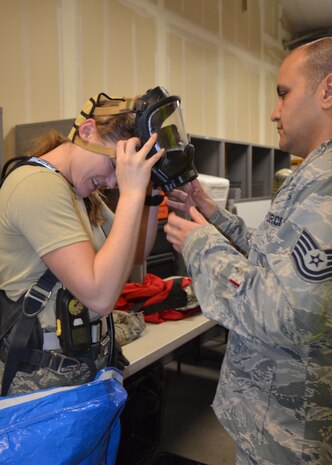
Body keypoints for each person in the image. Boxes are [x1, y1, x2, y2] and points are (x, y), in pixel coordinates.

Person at [164, 37, 332, 465]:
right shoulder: (313, 173)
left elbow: (286, 314)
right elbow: (274, 258)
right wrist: (210, 213)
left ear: (327, 91)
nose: (274, 112)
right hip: (276, 420)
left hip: (293, 434)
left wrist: (199, 242)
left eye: (283, 94)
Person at [0, 92, 164, 395]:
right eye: (116, 164)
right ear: (87, 131)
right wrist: (130, 195)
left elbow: (136, 252)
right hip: (41, 377)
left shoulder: (79, 191)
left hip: (81, 362)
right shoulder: (38, 186)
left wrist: (150, 193)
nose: (115, 181)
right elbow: (100, 296)